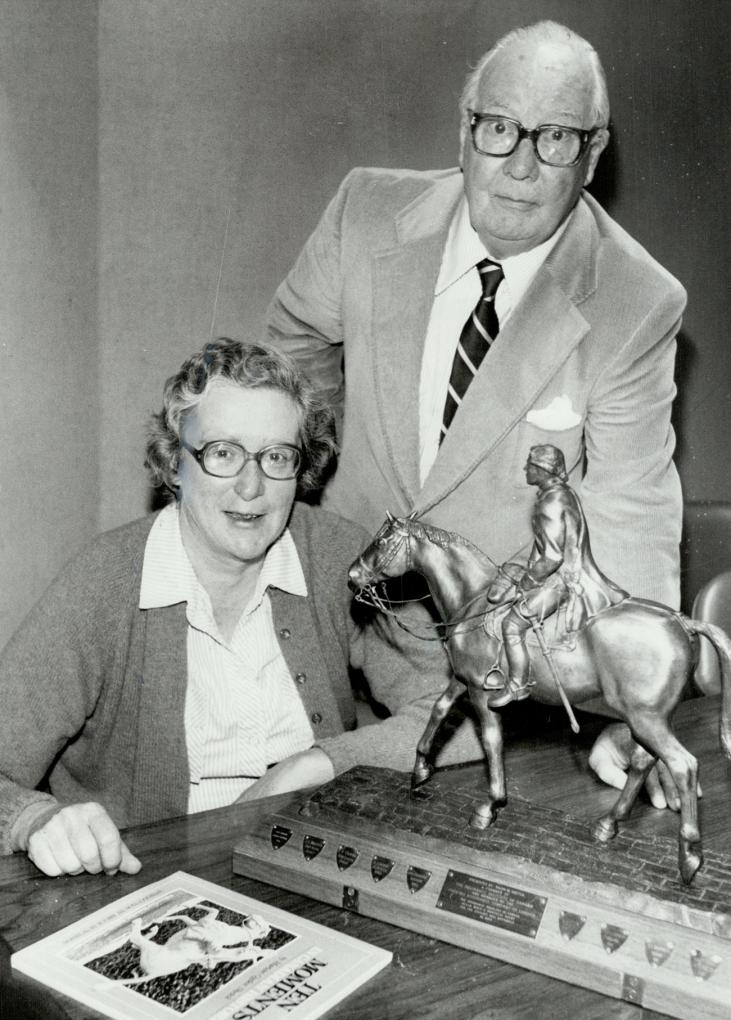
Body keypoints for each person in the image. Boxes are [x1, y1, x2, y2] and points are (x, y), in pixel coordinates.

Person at [264, 20, 686, 800]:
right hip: (325, 621)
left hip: (488, 685)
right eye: (499, 129)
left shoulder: (636, 300)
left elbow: (633, 508)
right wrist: (311, 489)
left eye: (556, 137)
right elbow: (293, 351)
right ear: (464, 131)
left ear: (593, 155)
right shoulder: (364, 211)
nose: (522, 166)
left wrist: (630, 707)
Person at [0, 339, 479, 878]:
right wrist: (36, 819)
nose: (251, 487)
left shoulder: (337, 557)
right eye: (223, 453)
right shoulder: (103, 582)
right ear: (174, 462)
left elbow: (467, 712)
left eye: (277, 457)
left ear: (303, 469)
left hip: (308, 869)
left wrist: (314, 765)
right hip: (144, 886)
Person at [486, 444, 628, 707]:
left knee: (511, 625)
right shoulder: (560, 494)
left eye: (530, 465)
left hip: (562, 581)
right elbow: (540, 546)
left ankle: (518, 686)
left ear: (543, 469)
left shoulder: (549, 504)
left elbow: (552, 557)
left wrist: (526, 584)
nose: (525, 469)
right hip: (561, 574)